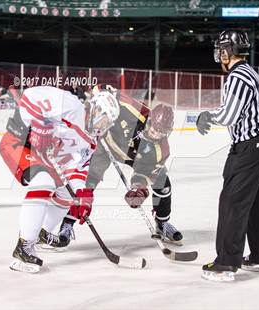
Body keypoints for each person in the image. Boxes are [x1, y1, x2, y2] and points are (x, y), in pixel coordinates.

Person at [45, 84, 182, 249]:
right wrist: (97, 105)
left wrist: (138, 190)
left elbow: (143, 174)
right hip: (106, 144)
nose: (156, 135)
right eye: (154, 130)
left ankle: (162, 223)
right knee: (87, 183)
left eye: (162, 133)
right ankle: (67, 224)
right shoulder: (134, 109)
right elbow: (101, 89)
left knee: (163, 184)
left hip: (134, 157)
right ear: (149, 119)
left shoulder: (161, 150)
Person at [0, 85, 119, 273]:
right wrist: (38, 124)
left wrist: (82, 196)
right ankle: (24, 246)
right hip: (19, 142)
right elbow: (29, 96)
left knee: (67, 193)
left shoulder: (90, 141)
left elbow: (77, 171)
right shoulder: (70, 105)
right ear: (95, 109)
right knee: (43, 182)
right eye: (103, 120)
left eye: (107, 124)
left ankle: (42, 233)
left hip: (46, 159)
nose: (103, 127)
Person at [196, 30, 259, 282]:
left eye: (220, 49)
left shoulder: (237, 76)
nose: (218, 54)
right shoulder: (251, 72)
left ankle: (226, 264)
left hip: (251, 147)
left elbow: (229, 115)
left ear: (226, 51)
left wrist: (207, 115)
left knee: (233, 203)